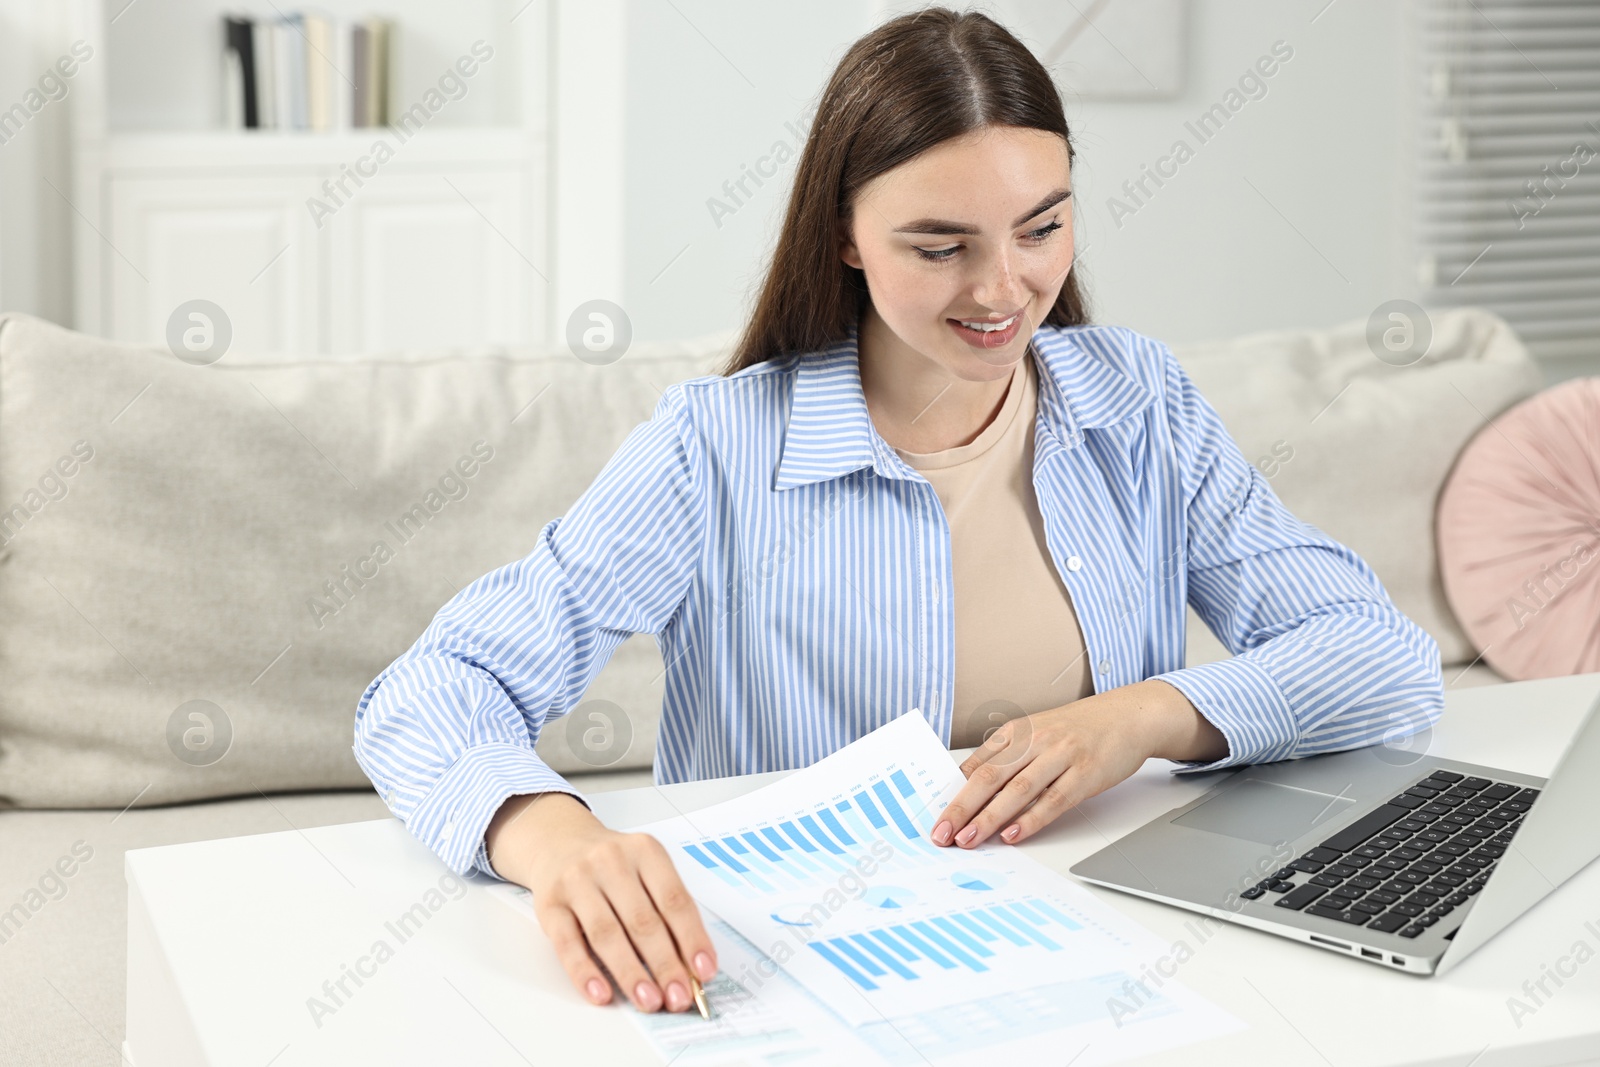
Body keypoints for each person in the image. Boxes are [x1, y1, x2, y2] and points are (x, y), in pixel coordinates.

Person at [354, 6, 1443, 1017]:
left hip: (1112, 950)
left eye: (1040, 227)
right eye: (941, 246)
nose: (1005, 287)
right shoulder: (717, 448)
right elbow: (432, 692)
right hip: (804, 976)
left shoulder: (1138, 401)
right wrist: (549, 832)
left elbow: (1381, 658)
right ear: (844, 236)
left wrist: (1140, 716)